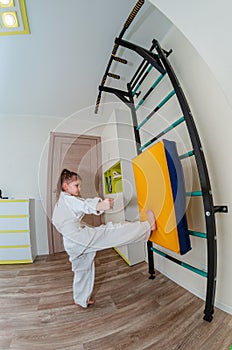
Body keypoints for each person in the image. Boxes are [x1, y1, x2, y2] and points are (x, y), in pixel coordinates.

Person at [52, 168, 156, 309]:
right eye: (76, 185)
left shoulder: (60, 203)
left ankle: (80, 299)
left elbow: (61, 220)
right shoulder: (69, 200)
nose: (79, 188)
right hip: (80, 238)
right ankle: (147, 227)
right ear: (65, 186)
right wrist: (102, 205)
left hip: (71, 244)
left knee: (82, 270)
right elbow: (84, 206)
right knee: (112, 231)